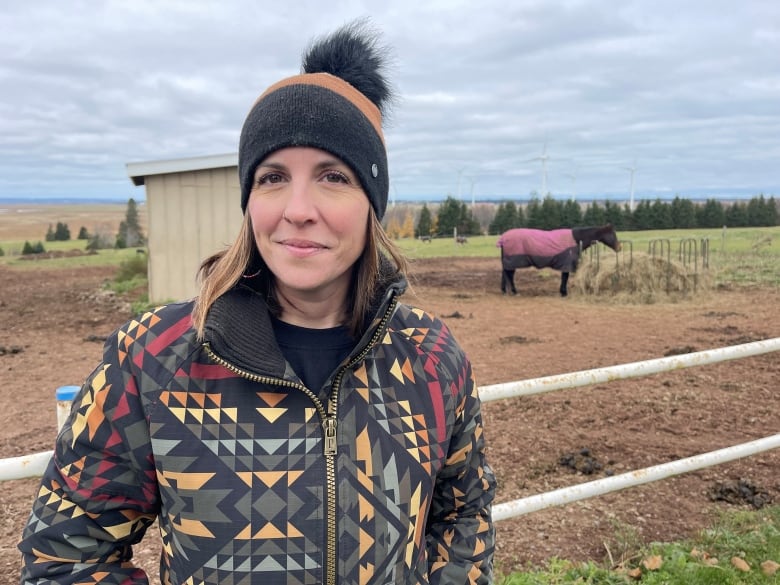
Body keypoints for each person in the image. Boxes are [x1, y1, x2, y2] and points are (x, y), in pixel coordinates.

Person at [19, 20, 496, 585]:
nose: (297, 208)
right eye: (272, 178)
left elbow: (462, 515)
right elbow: (65, 554)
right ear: (249, 201)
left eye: (333, 176)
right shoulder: (154, 357)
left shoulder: (432, 358)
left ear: (373, 203)